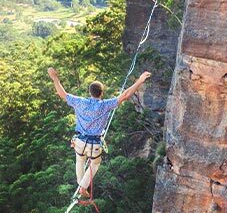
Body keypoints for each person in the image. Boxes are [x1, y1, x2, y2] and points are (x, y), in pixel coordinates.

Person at [47, 67, 152, 198]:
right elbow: (125, 95)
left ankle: (81, 185)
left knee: (80, 161)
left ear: (89, 92)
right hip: (94, 143)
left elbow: (63, 94)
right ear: (101, 93)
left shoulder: (80, 102)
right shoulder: (105, 105)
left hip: (79, 141)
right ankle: (83, 187)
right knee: (95, 164)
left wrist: (54, 78)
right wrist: (140, 81)